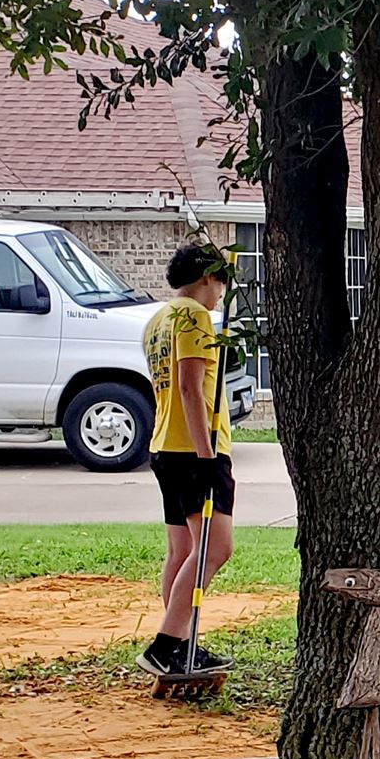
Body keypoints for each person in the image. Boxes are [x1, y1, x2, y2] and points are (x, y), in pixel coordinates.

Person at [139, 242, 238, 677]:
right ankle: (168, 643)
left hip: (164, 446)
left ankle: (182, 644)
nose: (219, 295)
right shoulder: (195, 317)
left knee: (181, 551)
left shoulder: (158, 319)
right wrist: (206, 453)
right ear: (206, 278)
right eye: (220, 283)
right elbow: (188, 387)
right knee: (215, 548)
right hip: (194, 449)